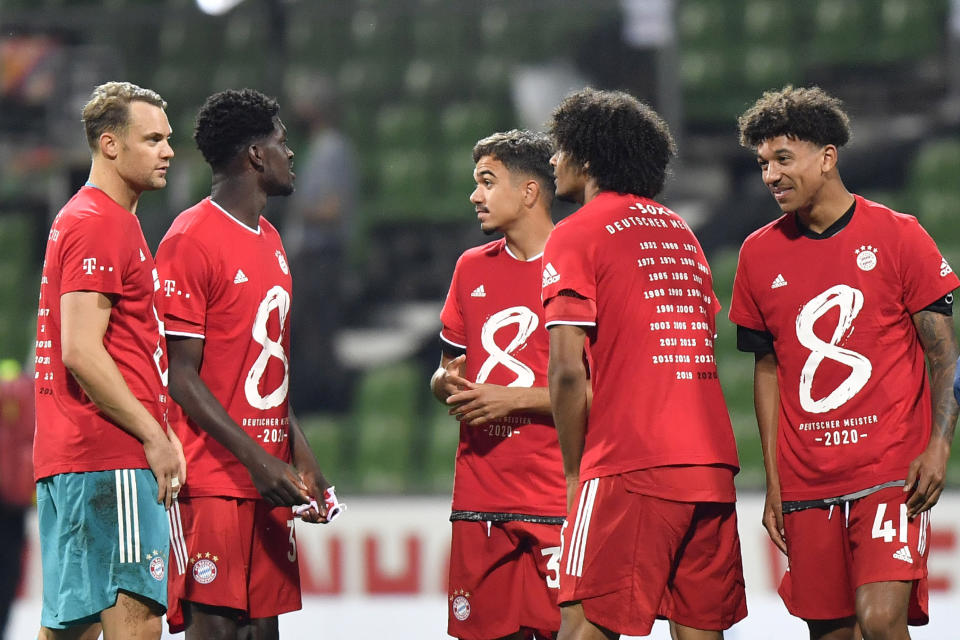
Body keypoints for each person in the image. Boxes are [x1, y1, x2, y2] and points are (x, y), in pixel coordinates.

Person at [730, 85, 960, 640]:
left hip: (887, 472)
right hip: (808, 481)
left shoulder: (899, 235)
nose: (771, 176)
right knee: (832, 633)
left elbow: (944, 355)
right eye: (763, 163)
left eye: (784, 159)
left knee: (880, 621)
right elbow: (768, 370)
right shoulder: (757, 254)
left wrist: (938, 445)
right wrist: (776, 482)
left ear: (828, 156)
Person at [542, 88, 746, 640]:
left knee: (584, 622)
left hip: (630, 463)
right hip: (709, 465)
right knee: (700, 629)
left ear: (586, 157)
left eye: (560, 148)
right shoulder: (683, 234)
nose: (553, 160)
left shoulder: (575, 233)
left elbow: (565, 370)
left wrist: (571, 471)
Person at [156, 88, 335, 639]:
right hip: (213, 483)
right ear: (255, 155)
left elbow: (268, 371)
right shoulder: (190, 239)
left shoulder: (274, 240)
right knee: (218, 631)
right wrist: (258, 460)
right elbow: (180, 377)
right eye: (282, 142)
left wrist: (300, 458)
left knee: (263, 634)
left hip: (267, 479)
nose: (292, 153)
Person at [33, 81, 184, 640]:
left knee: (70, 630)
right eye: (152, 139)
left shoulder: (87, 216)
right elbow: (80, 350)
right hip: (110, 457)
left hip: (76, 457)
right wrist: (155, 436)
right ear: (110, 145)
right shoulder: (101, 222)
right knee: (135, 624)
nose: (168, 150)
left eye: (167, 139)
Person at [431, 129, 566, 640]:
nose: (475, 195)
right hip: (480, 498)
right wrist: (447, 385)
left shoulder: (583, 264)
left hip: (560, 498)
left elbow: (612, 394)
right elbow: (446, 372)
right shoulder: (470, 268)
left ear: (529, 191)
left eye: (487, 182)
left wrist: (510, 399)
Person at [284, 76, 358, 413]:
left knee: (318, 338)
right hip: (308, 257)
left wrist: (289, 203)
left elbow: (332, 209)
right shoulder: (318, 149)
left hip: (320, 257)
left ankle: (326, 408)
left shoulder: (332, 149)